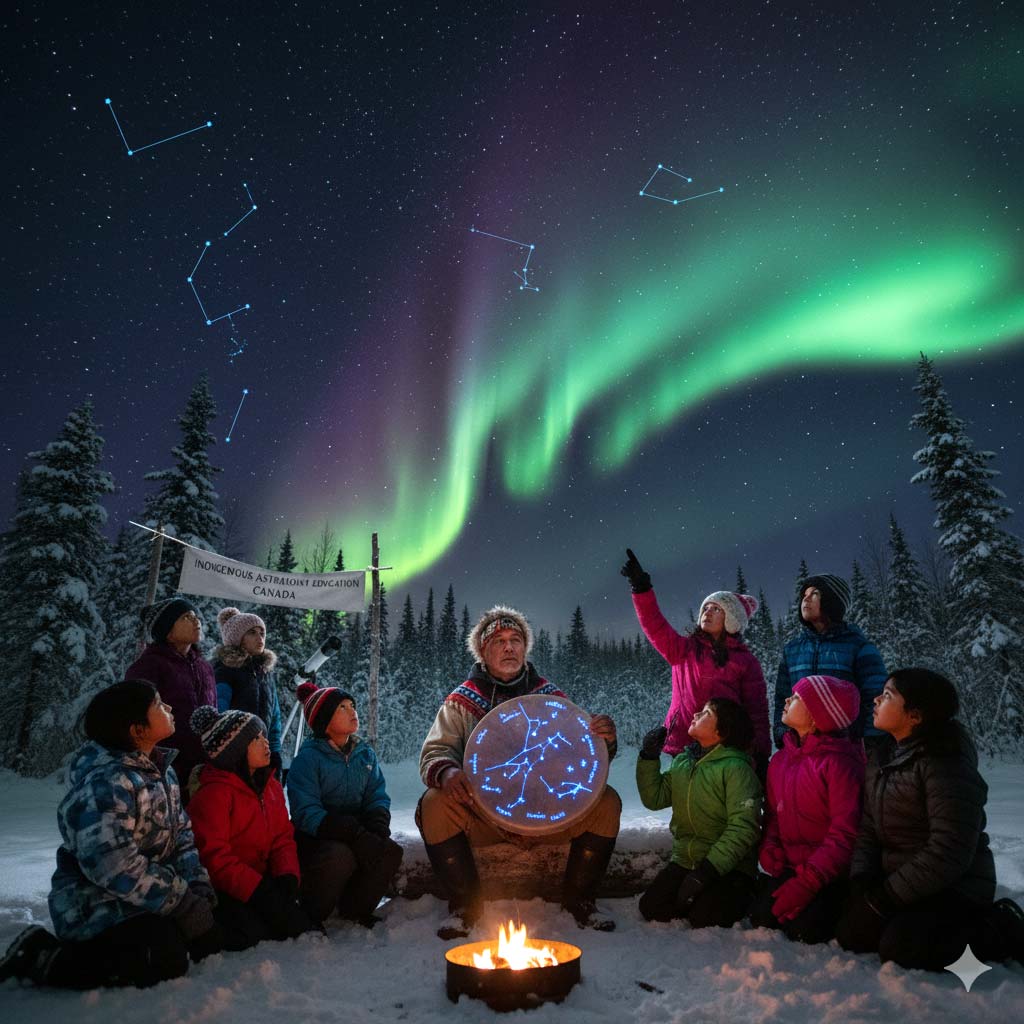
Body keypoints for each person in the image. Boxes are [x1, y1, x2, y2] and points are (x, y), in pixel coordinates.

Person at [0, 681, 221, 988]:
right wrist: (181, 899)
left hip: (148, 898)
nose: (168, 707)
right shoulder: (105, 785)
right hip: (95, 906)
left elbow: (181, 836)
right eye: (158, 704)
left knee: (210, 938)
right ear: (137, 730)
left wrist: (197, 884)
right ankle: (41, 955)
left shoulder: (163, 770)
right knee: (163, 958)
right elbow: (115, 867)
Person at [417, 605, 622, 937]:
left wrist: (604, 740)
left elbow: (580, 757)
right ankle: (465, 906)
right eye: (499, 641)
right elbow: (435, 752)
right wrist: (448, 773)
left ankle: (581, 902)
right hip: (484, 817)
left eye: (515, 640)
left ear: (525, 648)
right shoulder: (461, 701)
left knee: (607, 802)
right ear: (483, 651)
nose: (509, 647)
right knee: (434, 803)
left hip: (550, 817)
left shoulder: (550, 697)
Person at [835, 667, 1024, 970]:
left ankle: (1000, 926)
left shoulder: (946, 763)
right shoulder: (882, 757)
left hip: (954, 887)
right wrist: (861, 881)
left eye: (887, 696)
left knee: (902, 948)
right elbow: (869, 828)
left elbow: (949, 850)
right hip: (901, 881)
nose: (876, 700)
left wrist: (884, 897)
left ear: (915, 716)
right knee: (851, 934)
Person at [621, 548, 771, 773]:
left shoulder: (746, 662)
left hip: (725, 747)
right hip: (683, 742)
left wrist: (760, 753)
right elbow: (654, 624)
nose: (707, 612)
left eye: (716, 609)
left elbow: (757, 711)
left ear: (732, 620)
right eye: (706, 607)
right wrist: (641, 588)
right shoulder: (684, 650)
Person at [750, 675, 865, 944]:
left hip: (829, 874)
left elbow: (845, 834)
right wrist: (770, 847)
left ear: (817, 716)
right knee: (762, 917)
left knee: (805, 930)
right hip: (792, 867)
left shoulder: (839, 764)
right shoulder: (781, 760)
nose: (787, 700)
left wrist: (808, 882)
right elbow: (774, 815)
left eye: (797, 698)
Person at [187, 705, 313, 950]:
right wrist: (260, 891)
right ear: (234, 751)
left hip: (264, 880)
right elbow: (214, 859)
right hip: (229, 888)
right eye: (256, 739)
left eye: (264, 735)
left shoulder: (270, 786)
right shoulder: (214, 794)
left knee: (293, 918)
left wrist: (287, 875)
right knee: (253, 932)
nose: (266, 742)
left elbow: (282, 837)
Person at [636, 697, 762, 927]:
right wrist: (649, 756)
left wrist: (707, 871)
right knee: (651, 907)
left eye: (706, 714)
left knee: (704, 917)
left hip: (729, 866)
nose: (695, 715)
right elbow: (655, 798)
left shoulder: (736, 769)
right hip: (686, 860)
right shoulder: (684, 762)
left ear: (722, 732)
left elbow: (744, 828)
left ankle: (747, 893)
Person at [286, 682, 404, 928]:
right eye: (342, 707)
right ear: (324, 721)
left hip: (355, 830)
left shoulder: (364, 754)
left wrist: (378, 824)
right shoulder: (307, 759)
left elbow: (376, 794)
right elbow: (306, 812)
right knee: (340, 855)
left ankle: (356, 910)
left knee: (388, 850)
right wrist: (352, 832)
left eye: (352, 705)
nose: (353, 711)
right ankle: (312, 912)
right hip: (317, 837)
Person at [773, 574, 888, 751]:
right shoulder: (792, 650)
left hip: (845, 747)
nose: (806, 599)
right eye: (804, 595)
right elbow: (782, 696)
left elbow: (874, 696)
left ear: (832, 602)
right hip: (802, 747)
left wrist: (869, 741)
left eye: (815, 594)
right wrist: (782, 734)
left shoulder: (858, 646)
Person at [125, 597, 217, 797]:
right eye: (186, 617)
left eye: (195, 616)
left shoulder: (205, 667)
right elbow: (134, 719)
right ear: (167, 631)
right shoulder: (148, 666)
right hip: (163, 769)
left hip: (203, 767)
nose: (196, 621)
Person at [211, 607, 284, 778]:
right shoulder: (225, 671)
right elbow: (219, 716)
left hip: (263, 756)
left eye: (262, 633)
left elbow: (274, 720)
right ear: (238, 639)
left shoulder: (265, 673)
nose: (260, 638)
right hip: (234, 758)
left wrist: (275, 753)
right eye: (252, 633)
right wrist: (229, 755)